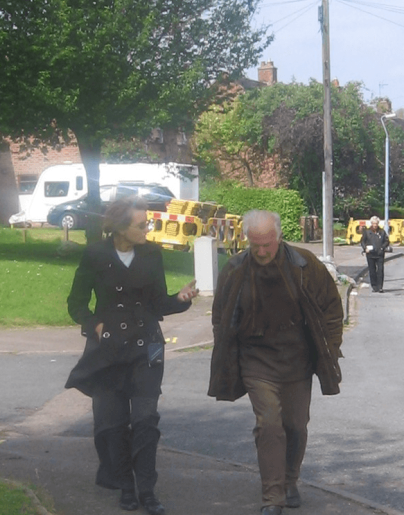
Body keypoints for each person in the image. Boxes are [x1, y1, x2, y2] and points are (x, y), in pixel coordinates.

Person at [65, 195, 199, 515]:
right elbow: (76, 302)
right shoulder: (96, 254)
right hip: (108, 346)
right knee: (113, 422)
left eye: (148, 224)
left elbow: (158, 303)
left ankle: (148, 490)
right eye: (142, 225)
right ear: (120, 228)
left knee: (146, 419)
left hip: (151, 345)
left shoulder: (151, 254)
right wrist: (94, 325)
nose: (148, 230)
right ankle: (126, 486)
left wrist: (181, 299)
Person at [208, 210, 344, 515]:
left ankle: (289, 480)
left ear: (279, 237)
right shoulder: (234, 269)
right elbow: (220, 316)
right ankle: (272, 497)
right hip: (256, 362)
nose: (261, 252)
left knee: (296, 426)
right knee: (269, 425)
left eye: (267, 244)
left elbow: (332, 310)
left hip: (297, 360)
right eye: (254, 245)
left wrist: (330, 348)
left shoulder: (305, 265)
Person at [360, 215, 390, 292]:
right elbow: (363, 241)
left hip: (380, 254)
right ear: (371, 223)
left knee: (380, 270)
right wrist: (365, 248)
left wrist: (382, 247)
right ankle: (374, 286)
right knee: (372, 270)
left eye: (376, 223)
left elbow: (387, 241)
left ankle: (380, 287)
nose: (375, 225)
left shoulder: (382, 232)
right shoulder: (367, 232)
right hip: (370, 254)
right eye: (373, 223)